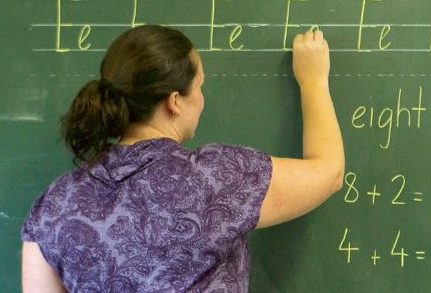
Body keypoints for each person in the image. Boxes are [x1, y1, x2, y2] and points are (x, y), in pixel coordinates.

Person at [21, 25, 344, 292]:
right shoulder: (216, 178)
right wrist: (313, 81)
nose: (202, 99)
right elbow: (329, 173)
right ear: (174, 102)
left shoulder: (53, 207)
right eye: (199, 86)